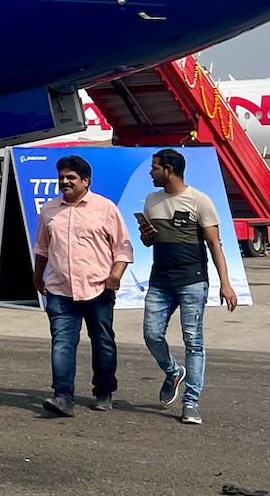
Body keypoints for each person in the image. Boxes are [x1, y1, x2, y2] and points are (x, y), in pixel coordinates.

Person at [138, 148, 239, 427]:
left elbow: (215, 245)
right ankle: (173, 371)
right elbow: (149, 242)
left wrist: (225, 284)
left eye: (155, 168)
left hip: (192, 281)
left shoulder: (199, 201)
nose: (151, 172)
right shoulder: (152, 200)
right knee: (151, 334)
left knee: (193, 342)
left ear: (168, 170)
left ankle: (190, 402)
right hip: (160, 281)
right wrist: (147, 236)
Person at [31, 154, 132, 417]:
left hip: (98, 288)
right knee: (62, 343)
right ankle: (63, 396)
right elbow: (42, 248)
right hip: (59, 289)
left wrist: (116, 275)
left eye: (71, 178)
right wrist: (37, 277)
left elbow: (122, 247)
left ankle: (104, 392)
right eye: (61, 177)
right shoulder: (50, 210)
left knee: (102, 342)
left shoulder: (105, 208)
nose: (64, 182)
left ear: (86, 181)